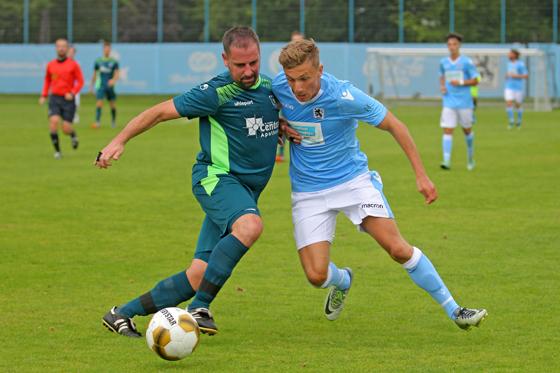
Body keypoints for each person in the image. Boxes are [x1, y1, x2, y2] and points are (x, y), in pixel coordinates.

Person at [272, 39, 487, 330]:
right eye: (291, 80)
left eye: (305, 78)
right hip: (308, 192)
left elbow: (396, 126)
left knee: (398, 249)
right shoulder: (277, 88)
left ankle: (455, 310)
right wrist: (281, 124)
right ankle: (344, 280)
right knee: (316, 276)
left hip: (353, 183)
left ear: (320, 70)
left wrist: (421, 176)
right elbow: (263, 112)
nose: (297, 87)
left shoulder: (345, 96)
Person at [97, 27, 296, 337]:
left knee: (198, 273)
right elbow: (160, 112)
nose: (248, 71)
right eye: (239, 64)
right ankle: (199, 307)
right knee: (250, 227)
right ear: (225, 60)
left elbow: (265, 118)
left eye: (253, 63)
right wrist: (120, 140)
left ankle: (122, 313)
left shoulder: (270, 89)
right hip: (217, 179)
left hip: (245, 191)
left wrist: (280, 124)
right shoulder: (214, 92)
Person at [439, 33, 479, 171]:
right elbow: (442, 76)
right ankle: (446, 160)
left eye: (454, 44)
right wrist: (443, 87)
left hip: (464, 103)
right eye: (449, 44)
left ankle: (470, 158)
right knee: (447, 129)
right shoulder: (443, 62)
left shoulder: (467, 62)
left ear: (459, 45)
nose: (452, 47)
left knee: (467, 131)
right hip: (449, 101)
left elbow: (476, 80)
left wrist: (461, 82)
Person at [39, 38, 84, 159]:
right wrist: (44, 95)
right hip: (54, 98)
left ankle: (73, 134)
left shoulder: (73, 65)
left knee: (65, 128)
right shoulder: (50, 65)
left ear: (67, 48)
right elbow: (47, 80)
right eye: (59, 46)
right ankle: (58, 152)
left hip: (68, 100)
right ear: (56, 48)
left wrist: (73, 93)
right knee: (53, 122)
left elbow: (80, 82)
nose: (61, 48)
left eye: (64, 46)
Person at [276, 30, 305, 163]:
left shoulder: (310, 62)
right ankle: (280, 153)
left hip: (304, 102)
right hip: (287, 101)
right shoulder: (286, 63)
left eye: (298, 41)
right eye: (293, 41)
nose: (295, 44)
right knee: (283, 124)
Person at [90, 41, 119, 128]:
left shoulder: (114, 62)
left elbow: (117, 74)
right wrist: (91, 86)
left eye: (108, 49)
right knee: (99, 103)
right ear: (103, 50)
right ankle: (97, 122)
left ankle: (113, 122)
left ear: (110, 50)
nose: (107, 50)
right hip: (101, 86)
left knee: (112, 104)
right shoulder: (98, 61)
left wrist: (113, 80)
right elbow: (95, 74)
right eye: (105, 49)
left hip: (110, 87)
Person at [504, 49, 528, 129]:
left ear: (515, 55)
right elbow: (508, 74)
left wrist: (516, 76)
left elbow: (526, 76)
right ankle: (511, 121)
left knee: (518, 105)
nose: (508, 55)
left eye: (510, 53)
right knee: (509, 103)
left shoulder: (521, 64)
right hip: (509, 87)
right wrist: (507, 76)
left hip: (518, 87)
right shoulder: (509, 64)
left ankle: (519, 121)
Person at [67, 45, 81, 124]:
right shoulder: (64, 62)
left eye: (73, 52)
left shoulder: (76, 63)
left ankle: (74, 115)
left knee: (76, 103)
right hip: (66, 87)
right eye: (70, 52)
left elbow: (79, 78)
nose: (71, 54)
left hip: (75, 87)